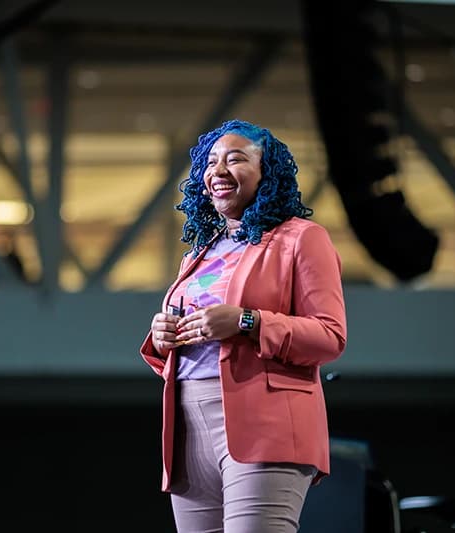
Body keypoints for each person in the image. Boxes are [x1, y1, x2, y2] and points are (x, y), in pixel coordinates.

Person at [139, 119, 347, 533]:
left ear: (266, 172)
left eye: (235, 160)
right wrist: (163, 339)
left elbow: (329, 337)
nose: (218, 171)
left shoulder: (302, 238)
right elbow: (188, 345)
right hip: (188, 429)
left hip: (266, 423)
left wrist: (247, 321)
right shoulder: (200, 252)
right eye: (210, 162)